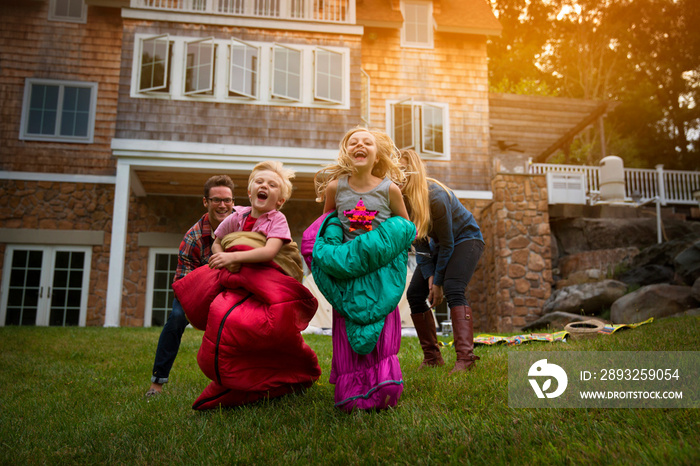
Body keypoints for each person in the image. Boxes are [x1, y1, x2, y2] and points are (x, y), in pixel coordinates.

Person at [307, 126, 415, 411]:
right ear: (347, 152)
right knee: (349, 333)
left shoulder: (389, 189)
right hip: (349, 277)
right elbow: (327, 229)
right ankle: (353, 392)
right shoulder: (336, 188)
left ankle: (383, 388)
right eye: (353, 142)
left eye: (367, 142)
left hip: (379, 278)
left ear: (376, 153)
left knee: (381, 334)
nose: (360, 145)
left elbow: (405, 231)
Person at [145, 174, 235, 397]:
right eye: (216, 200)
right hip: (196, 289)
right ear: (205, 202)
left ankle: (239, 380)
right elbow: (185, 284)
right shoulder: (193, 237)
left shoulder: (243, 223)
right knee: (176, 319)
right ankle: (157, 382)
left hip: (234, 284)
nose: (223, 205)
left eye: (227, 200)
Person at [399, 149, 485, 374]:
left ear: (414, 171)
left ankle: (466, 359)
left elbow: (448, 244)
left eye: (402, 169)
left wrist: (438, 283)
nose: (398, 174)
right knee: (414, 294)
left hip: (466, 239)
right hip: (439, 245)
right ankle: (432, 357)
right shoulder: (400, 201)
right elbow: (420, 244)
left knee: (454, 288)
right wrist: (429, 278)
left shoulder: (435, 196)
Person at [208, 161, 295, 272]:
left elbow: (269, 252)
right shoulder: (236, 216)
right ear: (249, 193)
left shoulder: (277, 219)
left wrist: (232, 257)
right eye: (259, 182)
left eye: (272, 185)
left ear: (280, 201)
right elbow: (217, 243)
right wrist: (223, 259)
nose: (264, 185)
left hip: (261, 273)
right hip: (234, 271)